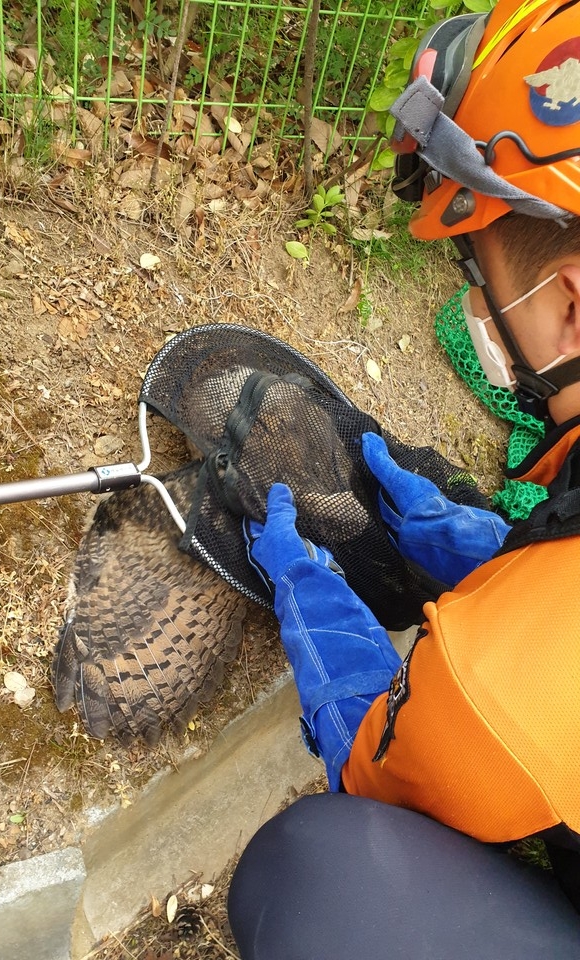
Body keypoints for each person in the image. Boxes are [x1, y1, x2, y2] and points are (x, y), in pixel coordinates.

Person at [227, 1, 580, 955]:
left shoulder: (511, 680)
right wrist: (484, 553)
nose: (474, 298)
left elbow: (370, 755)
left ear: (572, 306)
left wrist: (308, 586)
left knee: (315, 869)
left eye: (475, 266)